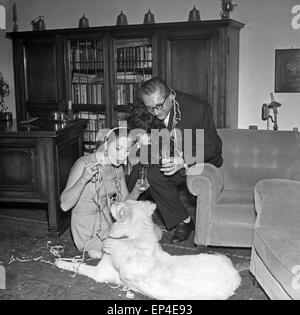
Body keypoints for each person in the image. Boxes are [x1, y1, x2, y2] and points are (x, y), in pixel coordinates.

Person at [127, 77, 223, 243]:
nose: (156, 113)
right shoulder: (150, 108)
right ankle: (183, 220)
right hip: (168, 152)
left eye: (159, 106)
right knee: (142, 170)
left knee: (153, 172)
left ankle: (126, 212)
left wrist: (184, 160)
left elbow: (213, 146)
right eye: (151, 108)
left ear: (171, 96)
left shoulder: (198, 108)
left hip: (199, 160)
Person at [60, 127, 160, 259]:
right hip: (88, 231)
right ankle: (103, 250)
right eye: (118, 149)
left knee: (156, 232)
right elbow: (64, 205)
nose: (122, 155)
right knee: (137, 244)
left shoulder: (117, 167)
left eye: (127, 150)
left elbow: (124, 202)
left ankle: (109, 252)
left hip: (109, 223)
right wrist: (84, 179)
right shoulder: (84, 164)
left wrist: (136, 190)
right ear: (106, 144)